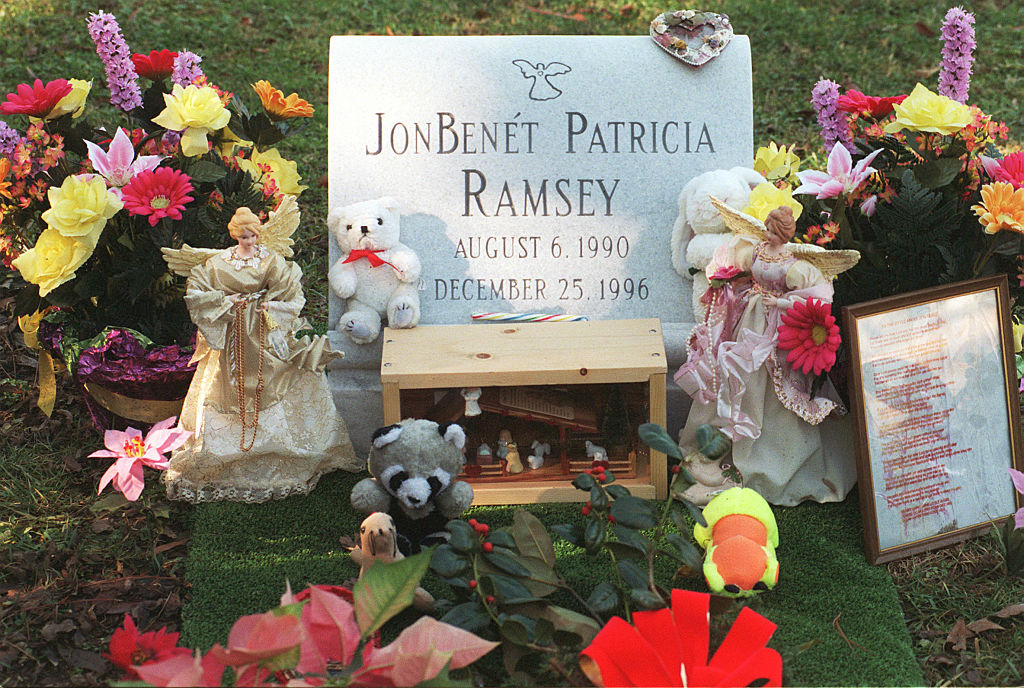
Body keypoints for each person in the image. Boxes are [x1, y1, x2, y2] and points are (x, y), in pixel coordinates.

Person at [163, 206, 359, 502]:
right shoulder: (218, 263)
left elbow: (290, 290)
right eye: (243, 236)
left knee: (277, 375)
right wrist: (224, 300)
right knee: (224, 385)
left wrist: (273, 305)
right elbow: (198, 290)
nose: (249, 240)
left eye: (253, 234)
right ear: (235, 234)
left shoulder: (270, 260)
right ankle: (230, 451)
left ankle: (279, 448)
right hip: (231, 331)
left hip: (264, 330)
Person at [675, 201, 858, 506]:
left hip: (777, 330)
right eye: (769, 229)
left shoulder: (796, 266)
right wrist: (725, 282)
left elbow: (817, 300)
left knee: (767, 384)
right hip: (749, 317)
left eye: (776, 232)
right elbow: (735, 264)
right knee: (736, 371)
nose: (771, 235)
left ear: (787, 235)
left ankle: (764, 459)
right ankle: (723, 445)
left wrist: (783, 304)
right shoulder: (757, 250)